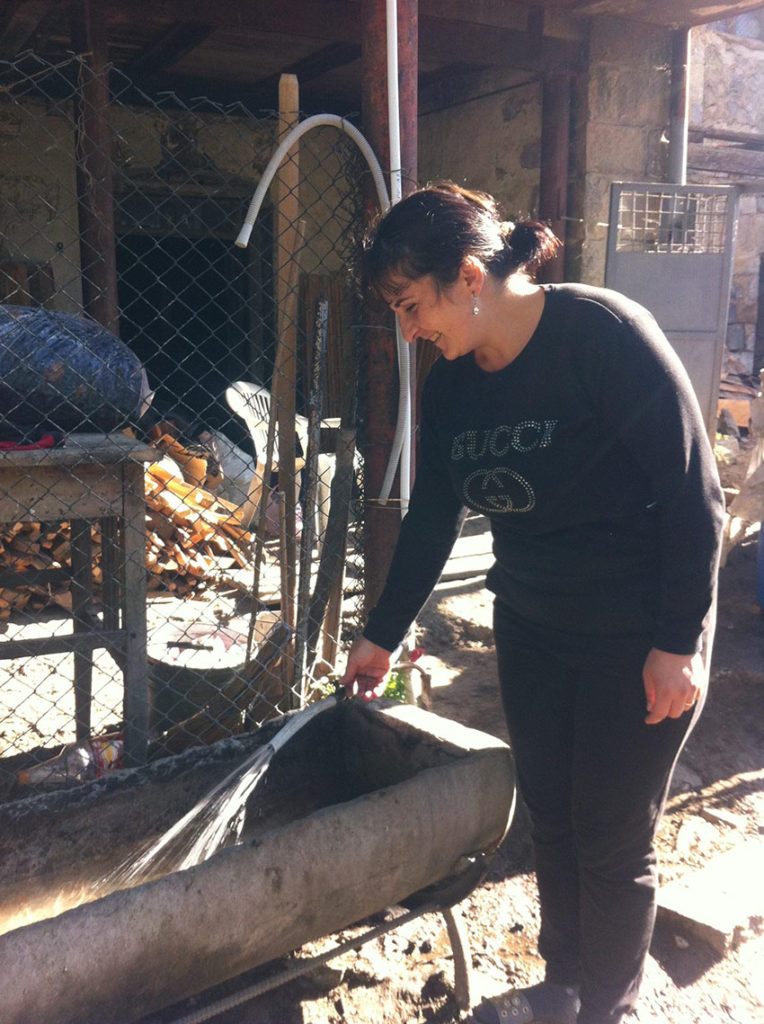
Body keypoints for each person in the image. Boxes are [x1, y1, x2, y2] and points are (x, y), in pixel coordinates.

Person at [340, 183, 724, 1024]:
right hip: (535, 624)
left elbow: (696, 496)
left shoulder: (603, 336)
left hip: (639, 632)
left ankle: (608, 1008)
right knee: (550, 814)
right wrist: (380, 634)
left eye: (411, 306)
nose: (409, 331)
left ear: (469, 275)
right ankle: (565, 983)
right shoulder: (452, 389)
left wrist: (679, 641)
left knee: (611, 838)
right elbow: (435, 513)